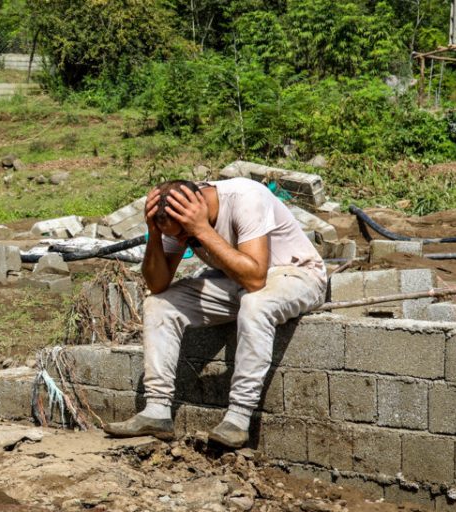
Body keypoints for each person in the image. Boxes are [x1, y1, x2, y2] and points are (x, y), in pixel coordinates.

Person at [103, 177, 326, 448]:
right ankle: (157, 411)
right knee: (159, 303)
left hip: (296, 276)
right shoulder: (179, 219)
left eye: (186, 233)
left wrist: (201, 230)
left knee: (255, 304)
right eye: (178, 236)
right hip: (234, 281)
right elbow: (157, 283)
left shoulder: (246, 197)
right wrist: (154, 232)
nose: (184, 241)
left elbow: (256, 279)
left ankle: (239, 419)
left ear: (200, 206)